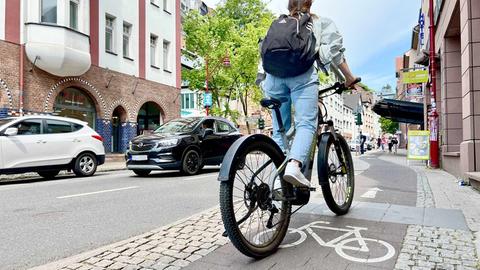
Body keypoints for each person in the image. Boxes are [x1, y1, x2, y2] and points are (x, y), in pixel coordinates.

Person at [258, 0, 362, 187]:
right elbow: (336, 53)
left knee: (279, 128)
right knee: (306, 122)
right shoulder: (320, 23)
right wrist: (350, 79)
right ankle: (294, 166)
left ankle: (279, 183)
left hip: (273, 78)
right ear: (310, 4)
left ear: (289, 6)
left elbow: (264, 52)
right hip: (302, 76)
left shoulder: (278, 23)